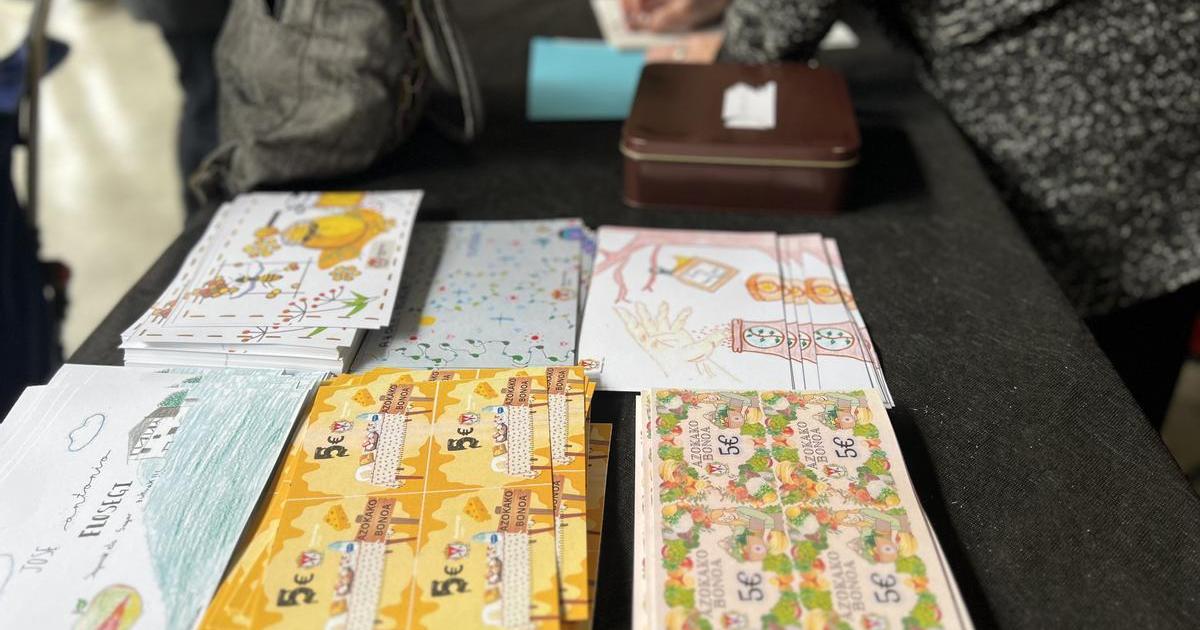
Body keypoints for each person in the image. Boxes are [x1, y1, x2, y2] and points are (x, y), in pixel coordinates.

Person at [625, 0, 1200, 428]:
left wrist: (734, 65)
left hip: (1088, 92)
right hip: (1146, 63)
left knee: (1091, 378)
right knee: (1144, 306)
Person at [120, 0, 230, 216]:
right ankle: (204, 213)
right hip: (195, 11)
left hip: (191, 12)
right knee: (208, 102)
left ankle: (202, 210)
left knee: (205, 97)